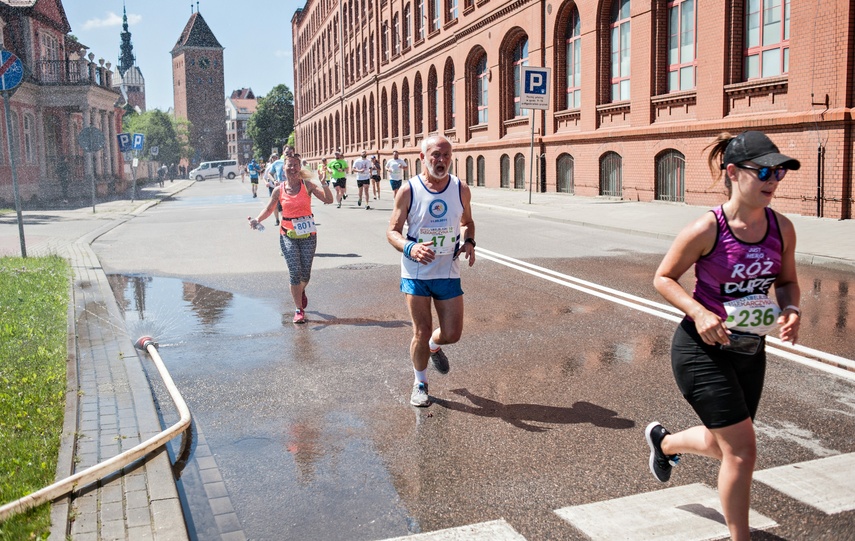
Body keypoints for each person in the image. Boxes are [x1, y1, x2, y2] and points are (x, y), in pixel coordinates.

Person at [646, 131, 801, 541]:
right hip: (701, 349)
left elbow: (786, 281)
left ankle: (665, 445)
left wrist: (791, 308)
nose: (773, 180)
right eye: (764, 171)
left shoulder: (781, 228)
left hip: (748, 348)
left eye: (779, 172)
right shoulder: (707, 228)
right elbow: (663, 278)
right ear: (733, 173)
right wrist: (699, 313)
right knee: (742, 451)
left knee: (725, 446)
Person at [386, 135, 476, 407]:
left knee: (452, 334)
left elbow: (468, 221)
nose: (442, 160)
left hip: (447, 269)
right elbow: (392, 231)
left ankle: (435, 347)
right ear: (422, 157)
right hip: (416, 272)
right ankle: (420, 383)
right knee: (421, 331)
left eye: (447, 155)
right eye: (436, 155)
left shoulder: (461, 188)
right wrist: (410, 249)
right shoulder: (408, 190)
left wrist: (470, 241)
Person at [249, 154, 334, 324]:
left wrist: (324, 183)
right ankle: (298, 309)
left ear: (299, 168)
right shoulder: (278, 190)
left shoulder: (307, 186)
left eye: (296, 165)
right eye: (289, 165)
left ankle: (300, 290)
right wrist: (257, 220)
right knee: (295, 272)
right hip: (287, 235)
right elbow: (268, 208)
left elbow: (328, 200)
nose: (293, 168)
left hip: (308, 236)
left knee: (305, 275)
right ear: (284, 168)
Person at [265, 154, 284, 225]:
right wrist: (271, 181)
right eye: (273, 157)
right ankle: (277, 219)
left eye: (276, 157)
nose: (274, 159)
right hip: (272, 187)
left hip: (281, 187)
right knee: (274, 205)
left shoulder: (282, 164)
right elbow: (266, 176)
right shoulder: (269, 166)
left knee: (282, 204)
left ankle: (285, 220)